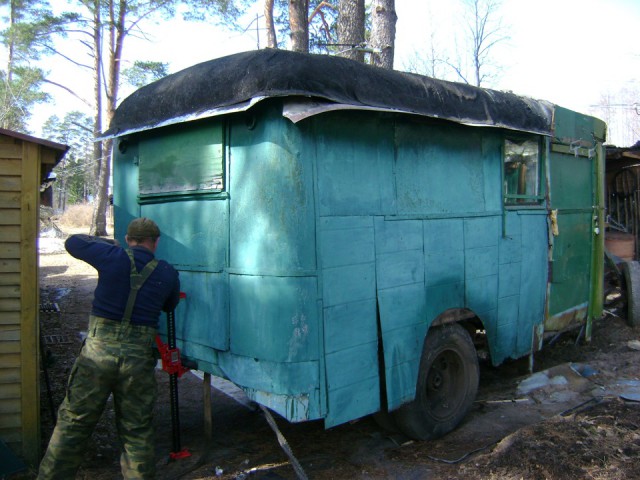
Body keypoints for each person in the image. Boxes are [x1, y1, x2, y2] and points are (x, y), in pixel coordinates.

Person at [38, 218, 180, 480]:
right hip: (137, 361)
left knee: (74, 423)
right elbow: (170, 306)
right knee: (137, 430)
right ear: (155, 242)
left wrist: (108, 243)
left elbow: (73, 242)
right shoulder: (167, 272)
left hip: (97, 355)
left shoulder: (111, 256)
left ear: (128, 240)